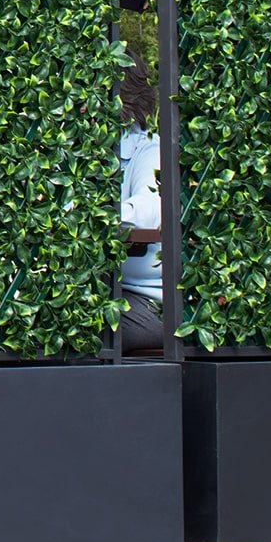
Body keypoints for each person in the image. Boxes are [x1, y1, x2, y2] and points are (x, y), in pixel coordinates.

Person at [113, 56, 166, 354]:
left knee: (81, 324)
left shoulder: (149, 149)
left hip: (151, 302)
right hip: (109, 291)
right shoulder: (85, 153)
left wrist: (86, 218)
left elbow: (146, 213)